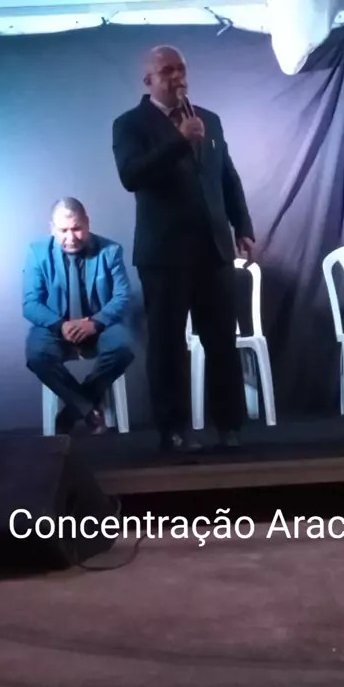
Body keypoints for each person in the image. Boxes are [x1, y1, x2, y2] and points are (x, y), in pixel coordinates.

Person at [112, 45, 255, 452]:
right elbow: (131, 175)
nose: (178, 77)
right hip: (164, 254)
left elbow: (226, 177)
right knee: (168, 346)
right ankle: (173, 430)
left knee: (222, 341)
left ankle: (230, 427)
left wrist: (242, 225)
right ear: (149, 81)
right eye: (167, 71)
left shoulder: (208, 119)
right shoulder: (130, 124)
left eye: (181, 69)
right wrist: (179, 140)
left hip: (213, 249)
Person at [23, 197, 134, 435]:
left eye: (77, 228)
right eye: (63, 230)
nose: (71, 237)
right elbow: (30, 304)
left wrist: (95, 322)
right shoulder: (37, 253)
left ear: (87, 223)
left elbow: (123, 296)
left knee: (123, 348)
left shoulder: (111, 251)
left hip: (100, 326)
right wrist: (60, 325)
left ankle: (72, 412)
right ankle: (88, 409)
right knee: (37, 355)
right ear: (52, 228)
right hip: (55, 327)